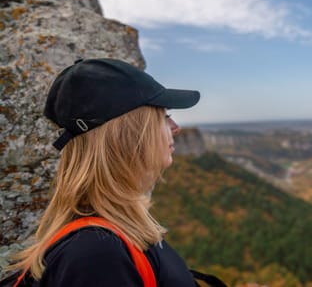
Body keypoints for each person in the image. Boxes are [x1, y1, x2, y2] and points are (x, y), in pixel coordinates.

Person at [7, 58, 213, 286]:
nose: (176, 127)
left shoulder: (116, 233)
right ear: (129, 133)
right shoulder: (97, 254)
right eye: (163, 116)